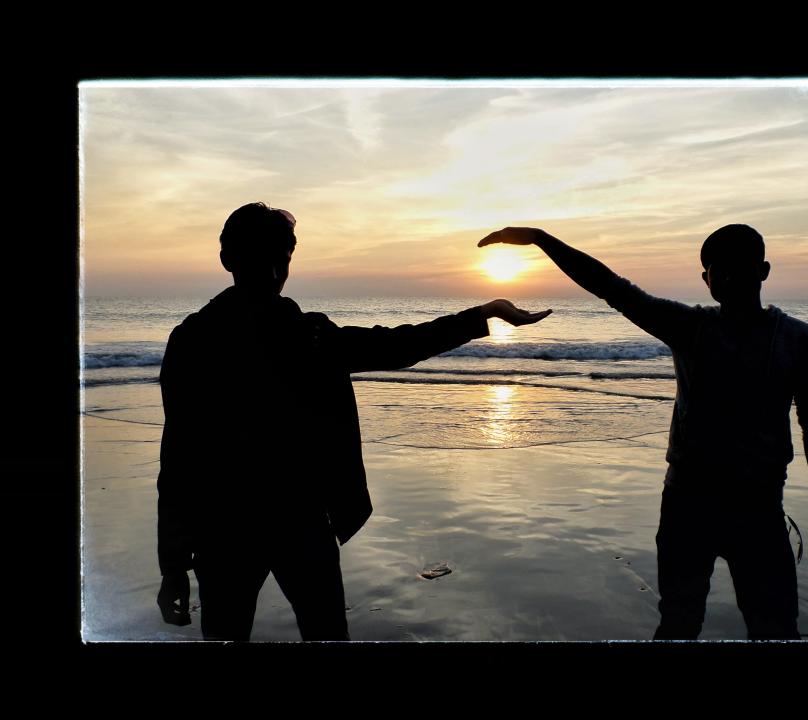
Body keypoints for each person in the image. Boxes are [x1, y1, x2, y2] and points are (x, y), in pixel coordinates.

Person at [156, 202, 551, 641]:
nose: (273, 271)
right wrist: (172, 566)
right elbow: (178, 458)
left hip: (274, 523)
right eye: (263, 257)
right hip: (248, 526)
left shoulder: (283, 335)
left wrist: (480, 315)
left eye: (282, 257)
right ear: (229, 259)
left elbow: (396, 347)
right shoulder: (288, 336)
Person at [478, 224, 808, 640]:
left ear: (763, 271)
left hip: (759, 509)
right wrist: (542, 240)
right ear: (707, 280)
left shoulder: (797, 340)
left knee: (774, 628)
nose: (726, 278)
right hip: (688, 504)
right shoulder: (690, 327)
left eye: (736, 269)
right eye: (717, 270)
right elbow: (612, 288)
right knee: (679, 622)